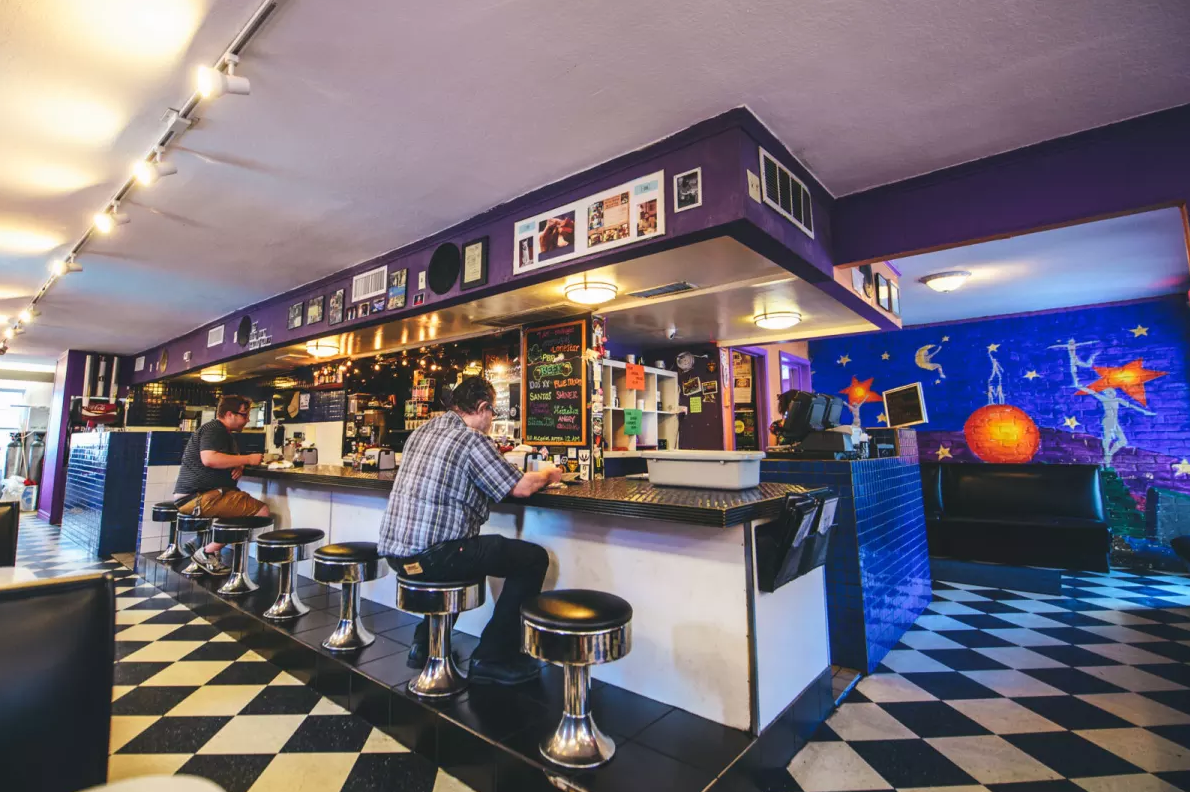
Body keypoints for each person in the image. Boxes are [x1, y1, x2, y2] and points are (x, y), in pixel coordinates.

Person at [379, 376, 562, 685]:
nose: (492, 422)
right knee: (532, 559)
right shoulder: (472, 439)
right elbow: (520, 488)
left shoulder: (421, 432)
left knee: (461, 553)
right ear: (482, 407)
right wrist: (548, 474)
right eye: (493, 414)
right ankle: (493, 657)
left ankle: (423, 645)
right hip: (434, 557)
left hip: (396, 555)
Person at [173, 395, 268, 575]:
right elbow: (209, 459)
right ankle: (207, 552)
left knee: (238, 511)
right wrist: (248, 459)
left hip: (198, 496)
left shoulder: (221, 432)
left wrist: (237, 463)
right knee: (261, 512)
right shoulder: (215, 429)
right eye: (244, 415)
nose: (247, 420)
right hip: (197, 497)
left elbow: (218, 458)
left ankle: (200, 543)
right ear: (230, 414)